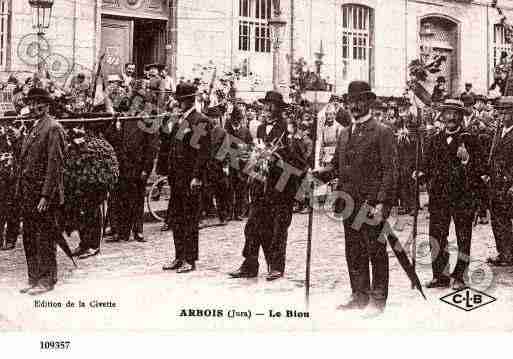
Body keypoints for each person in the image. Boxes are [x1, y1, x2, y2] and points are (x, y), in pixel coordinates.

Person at [315, 81, 397, 318]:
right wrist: (321, 173)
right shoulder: (344, 133)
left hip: (371, 204)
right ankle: (359, 295)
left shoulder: (382, 131)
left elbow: (390, 170)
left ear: (369, 102)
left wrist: (382, 203)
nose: (355, 105)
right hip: (347, 202)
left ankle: (378, 299)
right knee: (354, 250)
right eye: (351, 101)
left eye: (360, 101)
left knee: (375, 250)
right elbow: (337, 166)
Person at [229, 91, 308, 281]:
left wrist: (279, 159)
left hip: (281, 189)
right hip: (261, 186)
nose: (267, 109)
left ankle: (276, 267)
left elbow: (299, 162)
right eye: (266, 105)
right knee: (253, 226)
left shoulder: (287, 131)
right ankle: (250, 265)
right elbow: (253, 153)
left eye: (271, 105)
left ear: (279, 109)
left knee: (278, 229)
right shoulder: (261, 129)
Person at [416, 99, 485, 290]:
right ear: (442, 116)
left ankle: (460, 276)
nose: (451, 117)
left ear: (461, 117)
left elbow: (481, 168)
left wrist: (468, 160)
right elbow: (427, 165)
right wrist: (420, 173)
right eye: (448, 113)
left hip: (463, 197)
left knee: (463, 237)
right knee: (436, 236)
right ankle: (440, 275)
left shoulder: (470, 139)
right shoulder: (435, 139)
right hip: (439, 197)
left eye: (455, 114)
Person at [16, 88, 66, 295]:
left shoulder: (53, 128)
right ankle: (34, 277)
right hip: (29, 193)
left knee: (45, 237)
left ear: (47, 106)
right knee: (29, 236)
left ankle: (47, 280)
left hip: (44, 195)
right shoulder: (34, 127)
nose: (35, 107)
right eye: (32, 103)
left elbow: (54, 165)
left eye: (39, 103)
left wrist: (46, 195)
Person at [162, 83, 211, 273]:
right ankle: (179, 256)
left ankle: (190, 259)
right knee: (177, 217)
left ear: (187, 100)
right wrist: (170, 122)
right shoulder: (179, 119)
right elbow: (169, 142)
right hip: (177, 177)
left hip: (190, 178)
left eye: (179, 100)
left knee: (189, 219)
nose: (176, 103)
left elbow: (203, 152)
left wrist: (197, 176)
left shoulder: (200, 120)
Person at [105, 87, 159, 243]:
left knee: (137, 199)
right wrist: (115, 124)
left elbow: (152, 148)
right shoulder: (123, 119)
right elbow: (111, 139)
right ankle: (121, 232)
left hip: (138, 167)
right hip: (123, 166)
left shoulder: (148, 121)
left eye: (139, 103)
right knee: (121, 199)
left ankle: (138, 231)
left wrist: (146, 169)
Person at [485, 96, 513, 266]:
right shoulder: (498, 131)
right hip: (496, 182)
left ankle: (508, 253)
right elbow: (493, 155)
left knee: (506, 217)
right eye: (500, 112)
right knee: (498, 218)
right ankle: (504, 252)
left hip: (509, 183)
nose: (501, 116)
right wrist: (488, 173)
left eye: (506, 113)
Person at [225, 106, 252, 220]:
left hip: (242, 164)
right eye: (234, 120)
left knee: (241, 188)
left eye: (238, 120)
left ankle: (239, 213)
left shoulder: (245, 130)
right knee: (229, 189)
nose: (236, 122)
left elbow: (250, 145)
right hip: (230, 164)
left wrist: (247, 153)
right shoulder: (226, 130)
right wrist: (225, 164)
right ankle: (229, 213)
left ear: (241, 120)